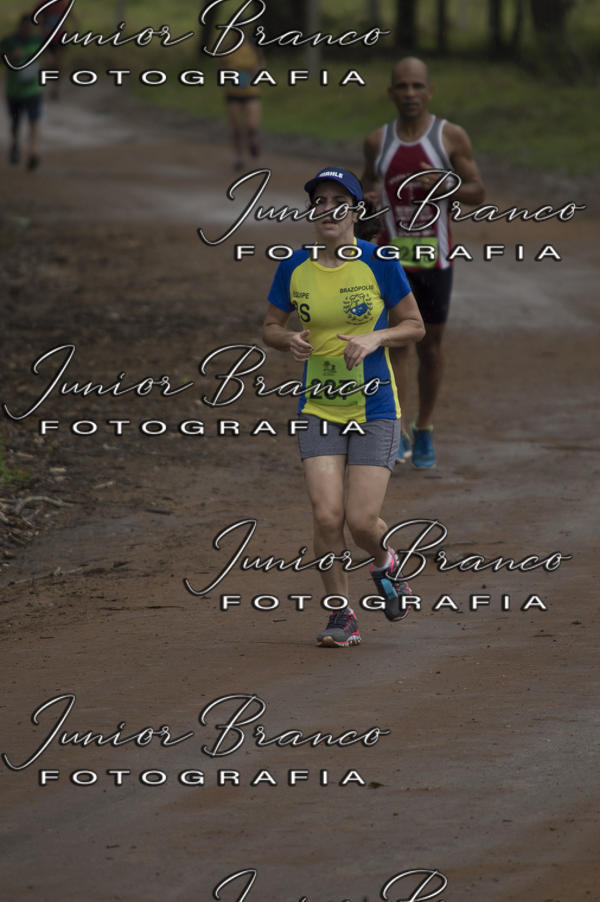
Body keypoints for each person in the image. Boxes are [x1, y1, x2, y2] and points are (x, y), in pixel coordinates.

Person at [262, 166, 425, 647]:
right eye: (320, 200)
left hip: (374, 407)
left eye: (339, 201)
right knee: (326, 515)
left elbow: (414, 326)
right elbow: (268, 326)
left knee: (359, 521)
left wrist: (377, 337)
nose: (327, 209)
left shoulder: (379, 262)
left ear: (355, 211)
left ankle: (386, 561)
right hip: (319, 406)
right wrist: (286, 337)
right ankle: (341, 616)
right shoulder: (295, 266)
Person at [362, 57, 485, 468]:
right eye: (402, 86)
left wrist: (445, 184)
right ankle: (394, 431)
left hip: (435, 261)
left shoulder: (449, 137)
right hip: (391, 262)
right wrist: (365, 205)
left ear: (429, 92)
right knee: (396, 345)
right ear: (391, 93)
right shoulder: (377, 141)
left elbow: (477, 190)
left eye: (417, 86)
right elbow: (364, 198)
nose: (410, 94)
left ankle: (425, 427)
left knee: (430, 349)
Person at [1, 14, 43, 170]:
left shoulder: (37, 40)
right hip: (14, 91)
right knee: (15, 123)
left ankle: (34, 152)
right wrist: (11, 57)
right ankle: (15, 145)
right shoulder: (9, 41)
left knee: (34, 121)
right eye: (24, 27)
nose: (27, 30)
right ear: (19, 27)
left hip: (33, 89)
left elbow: (48, 57)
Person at [219, 41, 264, 171]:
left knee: (252, 125)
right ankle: (239, 157)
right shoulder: (226, 48)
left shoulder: (253, 47)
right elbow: (221, 68)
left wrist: (255, 72)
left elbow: (261, 64)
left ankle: (252, 141)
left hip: (251, 92)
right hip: (233, 92)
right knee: (236, 128)